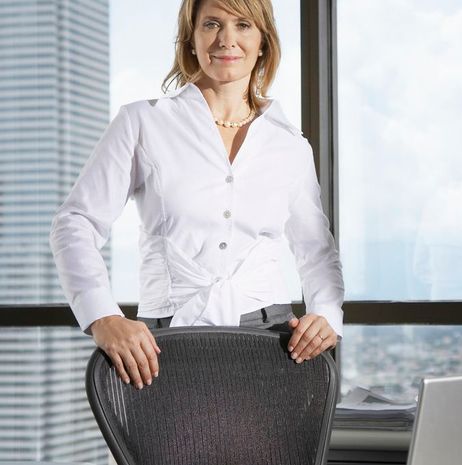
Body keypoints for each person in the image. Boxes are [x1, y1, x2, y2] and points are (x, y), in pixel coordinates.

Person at [49, 0, 343, 390]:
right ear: (191, 39)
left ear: (263, 42)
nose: (227, 39)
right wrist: (103, 317)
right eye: (211, 24)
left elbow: (316, 249)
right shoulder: (142, 122)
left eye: (243, 25)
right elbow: (75, 223)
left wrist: (326, 313)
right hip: (166, 343)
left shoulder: (289, 144)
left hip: (274, 343)